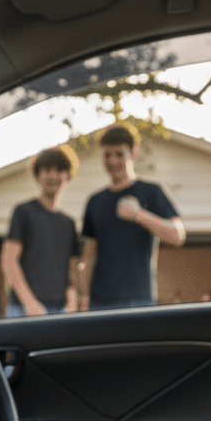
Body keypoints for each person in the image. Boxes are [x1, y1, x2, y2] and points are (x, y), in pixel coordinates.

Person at [81, 122, 186, 310]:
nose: (113, 161)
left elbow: (177, 235)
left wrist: (139, 215)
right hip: (98, 302)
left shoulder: (151, 192)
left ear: (133, 153)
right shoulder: (95, 201)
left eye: (119, 154)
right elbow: (89, 255)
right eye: (107, 155)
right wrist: (85, 296)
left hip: (138, 299)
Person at [1, 145, 82, 316]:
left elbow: (73, 270)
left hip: (60, 310)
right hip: (23, 309)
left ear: (68, 176)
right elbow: (9, 261)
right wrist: (30, 303)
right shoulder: (23, 212)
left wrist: (73, 302)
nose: (53, 175)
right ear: (37, 175)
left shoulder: (69, 223)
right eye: (47, 170)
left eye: (59, 170)